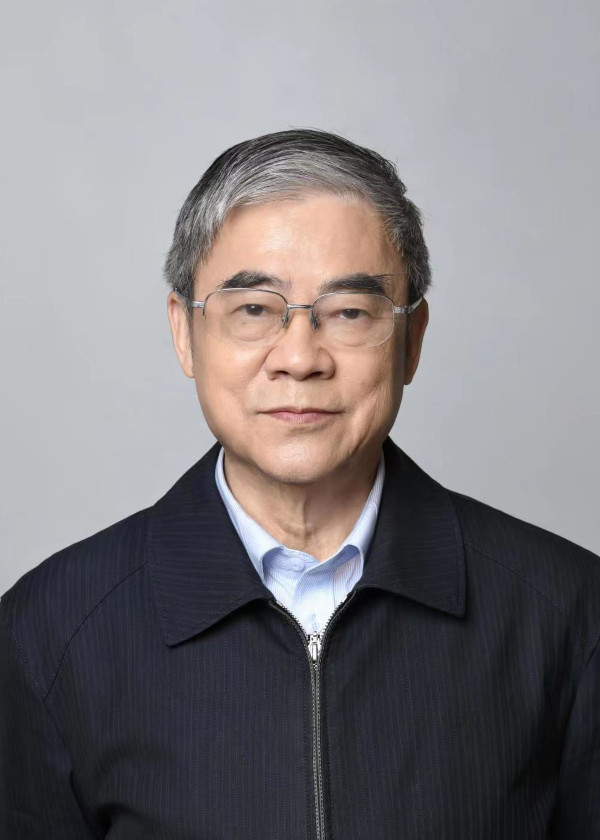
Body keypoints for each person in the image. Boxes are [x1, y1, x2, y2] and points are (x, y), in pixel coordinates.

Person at [1, 128, 598, 839]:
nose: (299, 357)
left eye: (349, 313)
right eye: (254, 310)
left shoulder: (567, 614)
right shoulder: (49, 631)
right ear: (184, 333)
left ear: (412, 339)